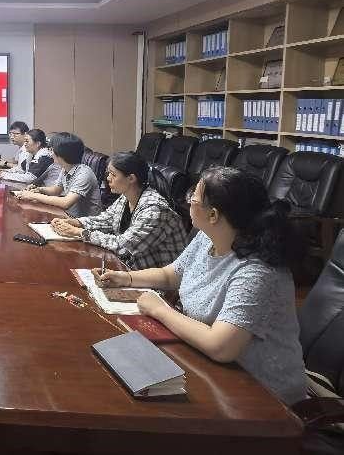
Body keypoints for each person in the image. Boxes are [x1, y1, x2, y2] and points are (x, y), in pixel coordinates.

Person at [94, 167, 306, 406]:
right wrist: (126, 278)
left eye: (192, 198)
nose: (188, 202)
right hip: (207, 365)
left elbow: (221, 346)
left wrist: (160, 309)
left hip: (262, 394)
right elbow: (170, 275)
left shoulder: (257, 271)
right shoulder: (208, 238)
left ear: (213, 215)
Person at [49, 151, 186, 268]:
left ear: (131, 178)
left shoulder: (154, 209)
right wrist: (75, 222)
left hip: (155, 281)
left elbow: (123, 246)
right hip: (129, 266)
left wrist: (79, 232)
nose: (108, 179)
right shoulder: (126, 196)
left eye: (113, 174)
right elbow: (106, 219)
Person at [16, 132, 101, 216]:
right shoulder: (65, 168)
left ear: (62, 154)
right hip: (68, 215)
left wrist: (33, 196)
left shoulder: (84, 174)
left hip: (85, 221)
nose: (50, 153)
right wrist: (39, 190)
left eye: (52, 150)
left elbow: (66, 203)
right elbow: (56, 190)